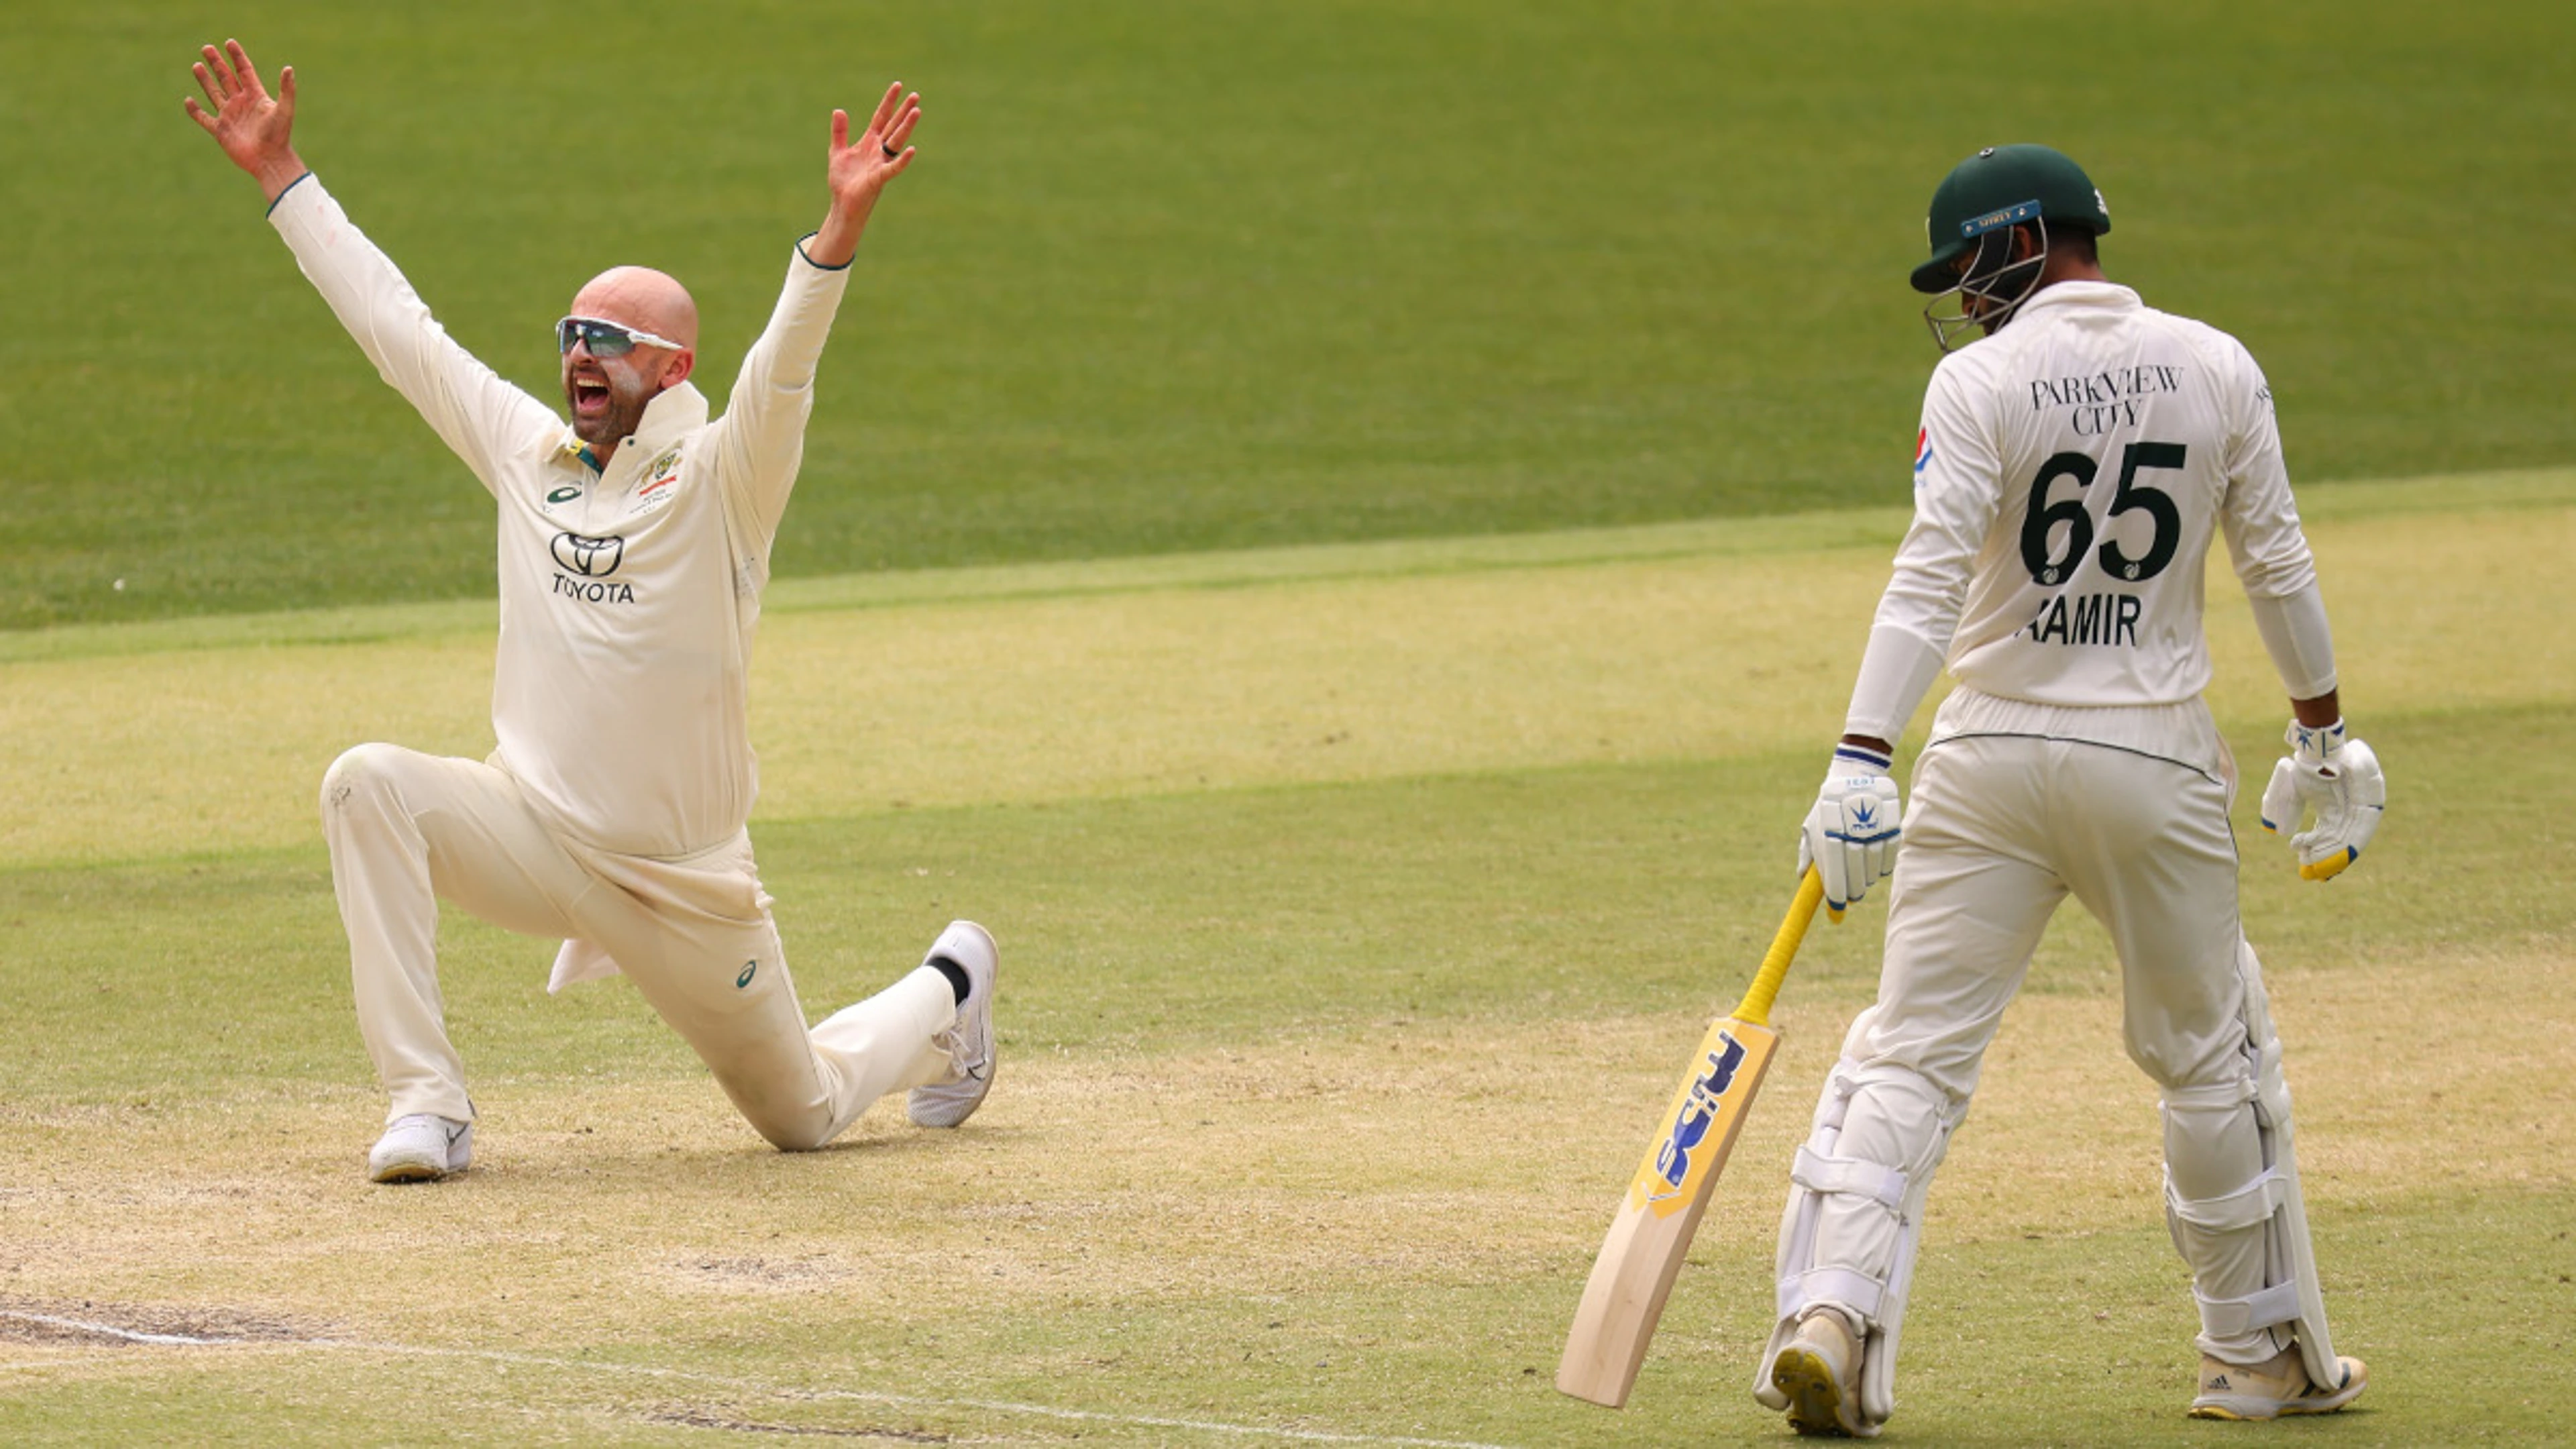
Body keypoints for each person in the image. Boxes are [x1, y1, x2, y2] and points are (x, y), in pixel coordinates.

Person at [184, 39, 998, 1183]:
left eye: (608, 339)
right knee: (366, 783)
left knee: (802, 1120)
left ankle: (951, 988)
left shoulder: (724, 476)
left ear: (672, 368)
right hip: (534, 831)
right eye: (571, 333)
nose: (579, 351)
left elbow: (785, 370)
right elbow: (400, 333)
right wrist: (283, 177)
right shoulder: (529, 453)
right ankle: (428, 1104)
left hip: (682, 882)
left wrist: (837, 231)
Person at [1754, 145, 2383, 1435]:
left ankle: (1831, 1317)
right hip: (2151, 756)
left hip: (1985, 754)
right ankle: (2253, 1355)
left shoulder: (1977, 380)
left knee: (1910, 1051)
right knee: (2209, 1059)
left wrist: (1862, 753)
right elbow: (2275, 561)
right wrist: (2321, 733)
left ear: (2028, 239)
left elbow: (1929, 573)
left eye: (1969, 265)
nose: (1963, 295)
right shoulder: (2218, 362)